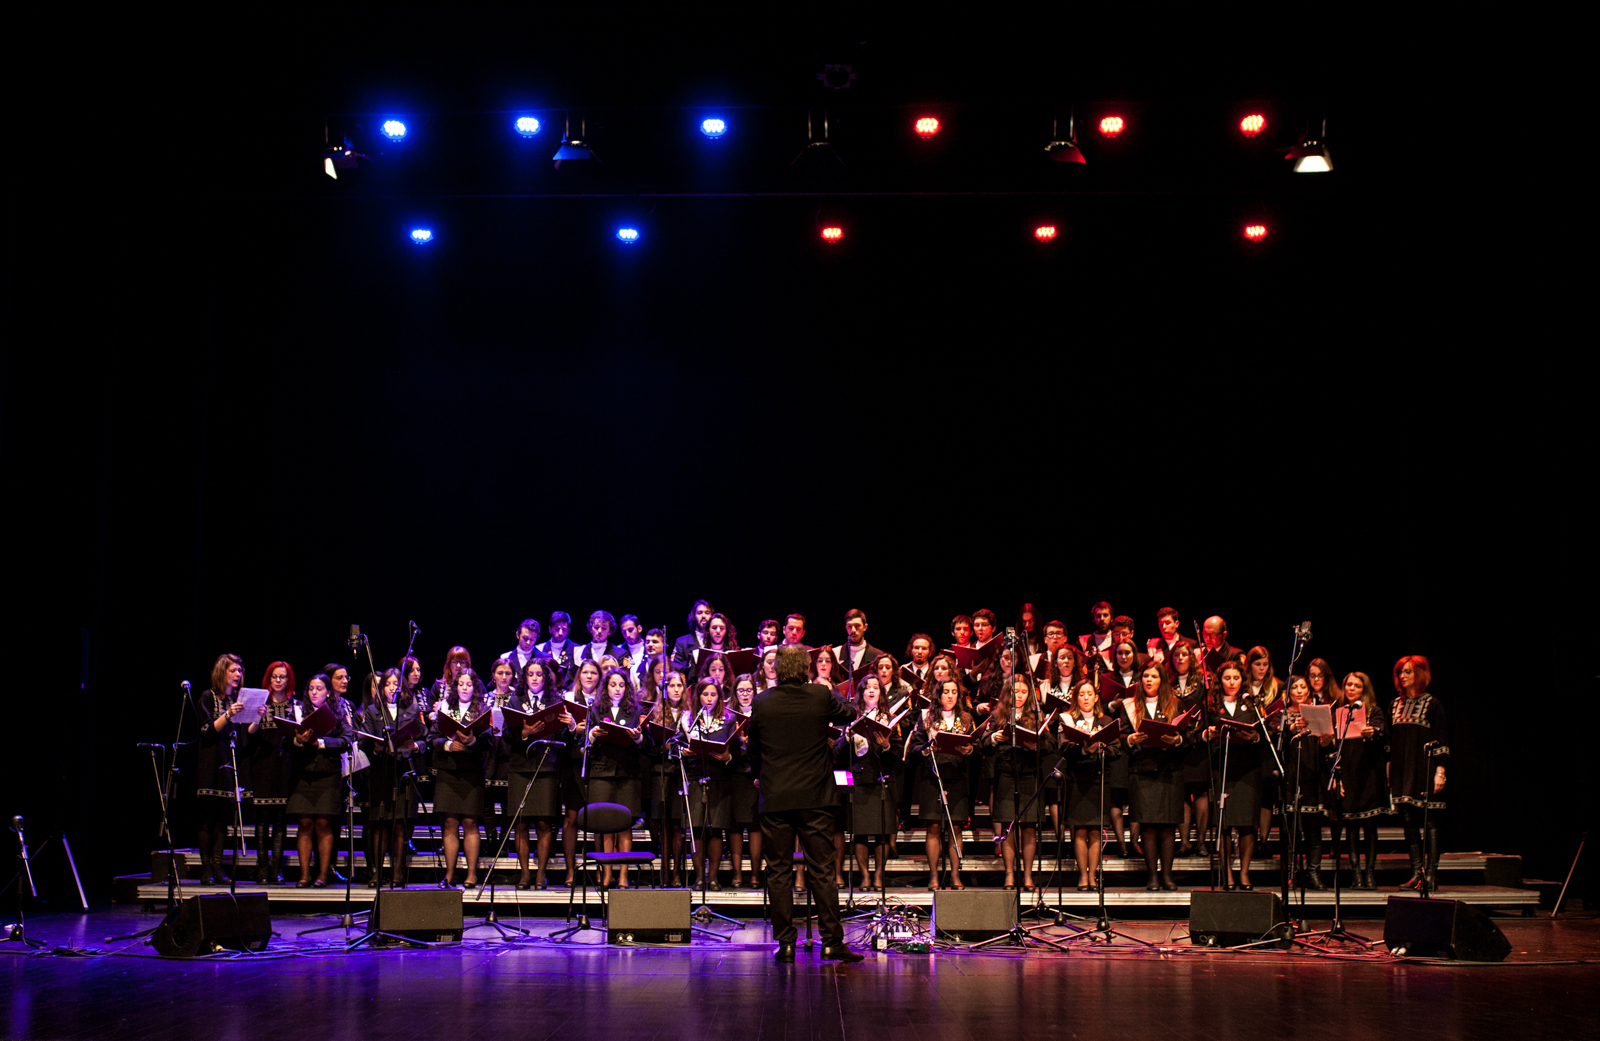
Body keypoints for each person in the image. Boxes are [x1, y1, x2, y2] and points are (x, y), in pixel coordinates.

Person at [745, 644, 862, 963]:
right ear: (807, 669)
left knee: (779, 871)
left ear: (779, 669)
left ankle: (785, 944)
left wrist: (758, 775)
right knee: (822, 870)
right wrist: (831, 691)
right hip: (815, 798)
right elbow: (850, 713)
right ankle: (831, 942)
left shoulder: (762, 701)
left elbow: (752, 746)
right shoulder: (819, 696)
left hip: (776, 796)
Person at [504, 658, 571, 889]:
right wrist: (524, 732)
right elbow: (506, 738)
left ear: (545, 678)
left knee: (544, 823)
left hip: (546, 767)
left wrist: (570, 725)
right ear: (525, 677)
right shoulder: (515, 701)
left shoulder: (555, 702)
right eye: (530, 674)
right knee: (521, 823)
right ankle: (524, 874)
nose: (534, 678)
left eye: (539, 675)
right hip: (521, 767)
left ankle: (541, 874)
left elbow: (563, 737)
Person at [909, 678, 978, 891]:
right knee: (934, 827)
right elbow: (914, 747)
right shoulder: (927, 718)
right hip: (933, 777)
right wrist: (926, 749)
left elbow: (978, 747)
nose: (950, 695)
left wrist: (970, 750)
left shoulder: (966, 718)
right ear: (938, 695)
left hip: (957, 777)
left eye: (954, 692)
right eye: (945, 691)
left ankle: (955, 875)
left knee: (955, 827)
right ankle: (933, 876)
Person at [1125, 661, 1188, 891]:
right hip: (1142, 771)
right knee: (1149, 827)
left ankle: (1167, 876)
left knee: (1168, 826)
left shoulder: (1175, 704)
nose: (1149, 680)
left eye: (1154, 676)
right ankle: (1152, 876)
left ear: (1162, 680)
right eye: (1145, 676)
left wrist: (1177, 740)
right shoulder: (1131, 706)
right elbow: (1120, 736)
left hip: (1168, 771)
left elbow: (1187, 735)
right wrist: (1130, 739)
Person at [286, 672, 352, 888]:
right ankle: (304, 874)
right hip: (303, 773)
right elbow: (285, 742)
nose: (314, 692)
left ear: (328, 692)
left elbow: (346, 740)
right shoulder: (297, 711)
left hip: (328, 774)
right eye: (311, 688)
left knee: (324, 823)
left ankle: (322, 874)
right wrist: (298, 741)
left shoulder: (338, 712)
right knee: (304, 823)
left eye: (319, 689)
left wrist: (321, 743)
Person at [987, 672, 1052, 891]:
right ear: (1008, 693)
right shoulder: (998, 714)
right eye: (1016, 691)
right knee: (1008, 826)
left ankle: (1027, 875)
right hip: (1006, 773)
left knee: (1029, 827)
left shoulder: (1037, 715)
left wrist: (1037, 746)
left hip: (1030, 773)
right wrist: (994, 738)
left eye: (1024, 692)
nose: (1020, 695)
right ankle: (1009, 874)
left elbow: (1050, 744)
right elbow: (982, 743)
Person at [1202, 660, 1263, 890]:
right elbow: (1198, 734)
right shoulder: (1210, 705)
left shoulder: (1252, 703)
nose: (1232, 683)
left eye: (1236, 678)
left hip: (1247, 769)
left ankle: (1244, 872)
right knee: (1224, 824)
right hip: (1223, 768)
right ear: (1220, 681)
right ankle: (1227, 872)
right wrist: (1208, 734)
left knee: (1247, 824)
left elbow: (1265, 734)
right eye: (1227, 678)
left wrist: (1254, 737)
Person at [358, 667, 421, 888]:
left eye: (396, 683)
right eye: (387, 684)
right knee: (380, 823)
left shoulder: (412, 709)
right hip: (381, 770)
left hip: (403, 771)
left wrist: (414, 746)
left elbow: (423, 737)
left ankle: (397, 871)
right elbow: (363, 742)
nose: (392, 687)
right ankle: (376, 871)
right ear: (381, 687)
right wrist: (375, 746)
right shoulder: (373, 711)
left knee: (400, 825)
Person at [584, 667, 647, 888]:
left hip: (627, 772)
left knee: (624, 824)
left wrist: (638, 738)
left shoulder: (635, 710)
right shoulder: (596, 709)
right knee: (605, 823)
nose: (617, 689)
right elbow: (584, 742)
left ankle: (623, 875)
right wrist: (592, 734)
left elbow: (645, 744)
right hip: (601, 770)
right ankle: (606, 873)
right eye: (613, 685)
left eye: (621, 685)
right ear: (606, 687)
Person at [1389, 655, 1446, 890]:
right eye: (1401, 672)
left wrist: (1440, 771)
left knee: (1430, 821)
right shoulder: (1395, 704)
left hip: (1424, 768)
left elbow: (1442, 737)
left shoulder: (1432, 704)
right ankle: (1417, 872)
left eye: (1408, 672)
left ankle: (1432, 874)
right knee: (1408, 822)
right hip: (1402, 770)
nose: (1403, 676)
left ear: (1420, 674)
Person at [842, 673, 903, 891]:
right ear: (861, 692)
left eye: (875, 687)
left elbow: (897, 752)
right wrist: (847, 737)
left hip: (882, 782)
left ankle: (878, 875)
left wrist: (886, 745)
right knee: (860, 831)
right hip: (859, 780)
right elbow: (838, 751)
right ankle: (864, 876)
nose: (871, 690)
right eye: (867, 687)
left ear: (881, 693)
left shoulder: (889, 718)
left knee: (882, 832)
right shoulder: (851, 717)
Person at [431, 668, 491, 889]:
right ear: (455, 687)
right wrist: (448, 745)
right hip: (449, 771)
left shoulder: (482, 709)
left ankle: (472, 873)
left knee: (470, 822)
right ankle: (449, 873)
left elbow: (488, 742)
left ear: (475, 687)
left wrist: (473, 740)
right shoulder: (445, 708)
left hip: (472, 772)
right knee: (450, 822)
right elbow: (432, 738)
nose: (465, 688)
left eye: (469, 684)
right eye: (461, 684)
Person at [1330, 670, 1388, 890]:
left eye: (1356, 685)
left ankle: (1370, 873)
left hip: (1369, 774)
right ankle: (1356, 874)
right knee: (1351, 826)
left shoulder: (1374, 711)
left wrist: (1371, 733)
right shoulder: (1340, 713)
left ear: (1365, 689)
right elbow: (1335, 749)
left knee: (1369, 826)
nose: (1351, 689)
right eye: (1348, 685)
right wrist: (1338, 777)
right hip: (1349, 774)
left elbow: (1383, 738)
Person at [680, 678, 738, 890]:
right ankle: (699, 878)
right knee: (697, 829)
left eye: (714, 695)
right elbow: (675, 743)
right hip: (696, 777)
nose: (709, 698)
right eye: (705, 694)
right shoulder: (688, 719)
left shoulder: (729, 719)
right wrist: (682, 751)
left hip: (720, 779)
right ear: (698, 696)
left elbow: (737, 750)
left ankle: (713, 877)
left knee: (715, 830)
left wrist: (728, 757)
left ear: (720, 697)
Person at [195, 654, 247, 885]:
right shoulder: (208, 697)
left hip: (229, 761)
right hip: (210, 761)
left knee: (222, 820)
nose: (238, 675)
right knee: (207, 817)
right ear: (222, 672)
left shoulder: (236, 699)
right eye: (233, 670)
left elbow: (244, 735)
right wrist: (229, 714)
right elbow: (207, 730)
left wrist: (255, 717)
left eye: (239, 671)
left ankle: (218, 866)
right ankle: (206, 868)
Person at [1059, 680, 1116, 891]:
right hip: (1076, 780)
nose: (1085, 697)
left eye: (1089, 693)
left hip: (1098, 780)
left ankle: (1094, 875)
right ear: (1076, 698)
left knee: (1095, 831)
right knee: (1080, 830)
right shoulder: (1069, 721)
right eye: (1081, 694)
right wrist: (1083, 750)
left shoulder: (1106, 720)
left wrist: (1101, 748)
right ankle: (1083, 875)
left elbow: (1117, 750)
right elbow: (1063, 749)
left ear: (1095, 697)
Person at [245, 661, 296, 883]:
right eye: (274, 676)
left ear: (288, 680)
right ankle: (263, 868)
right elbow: (249, 731)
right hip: (262, 765)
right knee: (262, 820)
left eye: (282, 677)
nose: (278, 680)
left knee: (280, 820)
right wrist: (257, 715)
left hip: (284, 765)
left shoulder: (295, 705)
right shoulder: (260, 703)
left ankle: (277, 869)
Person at [1283, 674, 1332, 889]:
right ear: (1288, 692)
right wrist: (1291, 729)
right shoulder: (1282, 715)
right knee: (1292, 831)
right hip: (1292, 776)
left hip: (1313, 775)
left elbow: (1327, 750)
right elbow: (1277, 744)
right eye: (1295, 687)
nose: (1300, 691)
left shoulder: (1318, 711)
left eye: (1303, 687)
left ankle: (1313, 872)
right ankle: (1292, 873)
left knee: (1313, 830)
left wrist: (1326, 741)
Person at [645, 670, 691, 885]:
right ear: (664, 689)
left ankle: (676, 873)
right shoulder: (655, 713)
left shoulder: (690, 714)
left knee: (677, 825)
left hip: (679, 773)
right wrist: (661, 747)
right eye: (671, 685)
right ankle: (664, 869)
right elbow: (646, 747)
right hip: (660, 773)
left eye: (679, 686)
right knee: (661, 823)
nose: (675, 689)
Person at [1168, 643, 1212, 856]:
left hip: (1199, 744)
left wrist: (1200, 732)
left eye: (1184, 654)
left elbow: (1208, 710)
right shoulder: (1167, 683)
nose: (1180, 658)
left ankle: (1201, 841)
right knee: (1182, 794)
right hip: (1178, 746)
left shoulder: (1202, 683)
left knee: (1201, 792)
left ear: (1191, 658)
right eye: (1176, 655)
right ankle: (1184, 842)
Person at [728, 674, 764, 888]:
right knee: (735, 825)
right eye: (740, 690)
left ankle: (755, 874)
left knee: (754, 825)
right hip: (734, 774)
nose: (744, 694)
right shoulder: (729, 716)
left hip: (755, 775)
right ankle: (737, 873)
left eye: (748, 690)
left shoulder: (760, 714)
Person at [833, 608, 885, 677]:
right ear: (846, 628)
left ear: (865, 627)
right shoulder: (836, 654)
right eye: (849, 626)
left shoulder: (878, 656)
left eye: (857, 626)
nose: (853, 630)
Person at [671, 599, 716, 675]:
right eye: (700, 613)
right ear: (694, 616)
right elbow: (675, 668)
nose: (703, 616)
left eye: (707, 613)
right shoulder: (682, 642)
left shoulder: (717, 640)